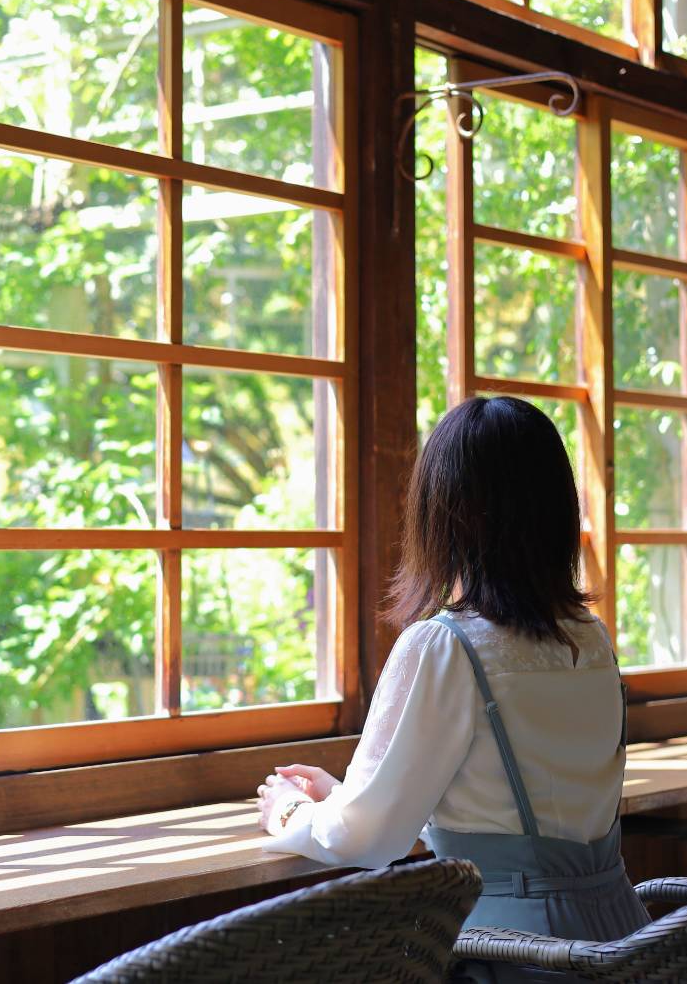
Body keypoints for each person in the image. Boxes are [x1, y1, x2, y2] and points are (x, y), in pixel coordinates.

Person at [255, 396, 649, 982]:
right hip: (624, 940)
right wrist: (345, 793)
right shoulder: (590, 639)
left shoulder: (444, 646)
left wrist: (291, 812)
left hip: (511, 952)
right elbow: (495, 801)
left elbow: (367, 842)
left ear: (443, 516)